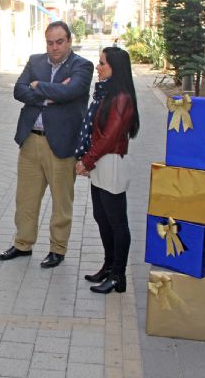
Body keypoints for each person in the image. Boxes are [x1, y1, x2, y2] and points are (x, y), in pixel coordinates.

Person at [0, 21, 94, 267]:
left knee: (62, 201)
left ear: (69, 41)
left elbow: (70, 92)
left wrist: (38, 86)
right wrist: (51, 94)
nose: (54, 48)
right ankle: (23, 244)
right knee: (26, 199)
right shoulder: (35, 61)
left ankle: (57, 249)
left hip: (62, 143)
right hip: (30, 139)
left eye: (59, 42)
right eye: (50, 42)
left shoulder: (82, 65)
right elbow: (19, 91)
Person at [75, 46, 140, 294]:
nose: (98, 67)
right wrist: (89, 160)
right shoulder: (105, 93)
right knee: (102, 218)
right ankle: (108, 266)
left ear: (115, 68)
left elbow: (109, 137)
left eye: (102, 63)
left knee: (117, 222)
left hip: (110, 163)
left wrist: (86, 161)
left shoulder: (121, 97)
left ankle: (118, 275)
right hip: (100, 163)